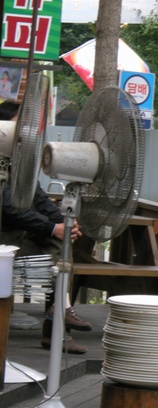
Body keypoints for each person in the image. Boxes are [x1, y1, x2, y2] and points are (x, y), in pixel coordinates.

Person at [0, 99, 91, 354]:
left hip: (17, 241)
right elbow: (9, 209)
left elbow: (39, 199)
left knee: (59, 247)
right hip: (4, 245)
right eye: (19, 127)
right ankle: (59, 321)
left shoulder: (21, 163)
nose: (26, 134)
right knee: (56, 247)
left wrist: (63, 223)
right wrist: (52, 228)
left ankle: (58, 319)